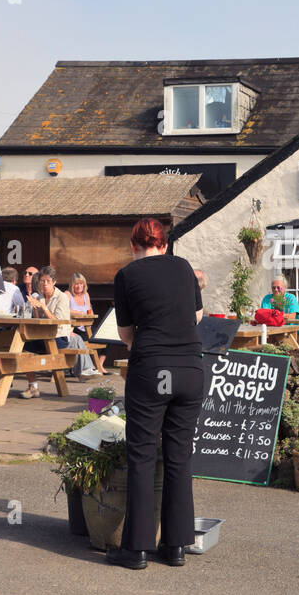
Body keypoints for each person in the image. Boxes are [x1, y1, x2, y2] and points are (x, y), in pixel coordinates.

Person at [108, 218, 204, 570]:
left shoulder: (126, 276)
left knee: (143, 456)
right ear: (164, 244)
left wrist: (148, 340)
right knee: (180, 457)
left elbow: (125, 333)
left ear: (134, 245)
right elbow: (196, 316)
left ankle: (136, 550)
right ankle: (175, 546)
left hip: (152, 370)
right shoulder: (183, 267)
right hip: (191, 370)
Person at [19, 266, 71, 398]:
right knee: (22, 347)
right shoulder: (40, 297)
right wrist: (35, 308)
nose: (45, 284)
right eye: (42, 281)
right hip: (43, 336)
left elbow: (58, 321)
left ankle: (31, 384)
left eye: (48, 281)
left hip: (59, 337)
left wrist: (43, 307)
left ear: (54, 282)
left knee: (30, 348)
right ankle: (33, 386)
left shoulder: (62, 297)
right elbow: (38, 321)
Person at [65, 273, 100, 378]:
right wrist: (79, 313)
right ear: (72, 285)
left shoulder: (86, 295)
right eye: (76, 284)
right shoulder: (67, 294)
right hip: (72, 327)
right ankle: (86, 368)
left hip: (86, 326)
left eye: (81, 284)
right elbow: (65, 309)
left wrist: (90, 314)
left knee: (103, 336)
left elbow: (89, 310)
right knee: (81, 340)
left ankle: (99, 365)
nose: (79, 286)